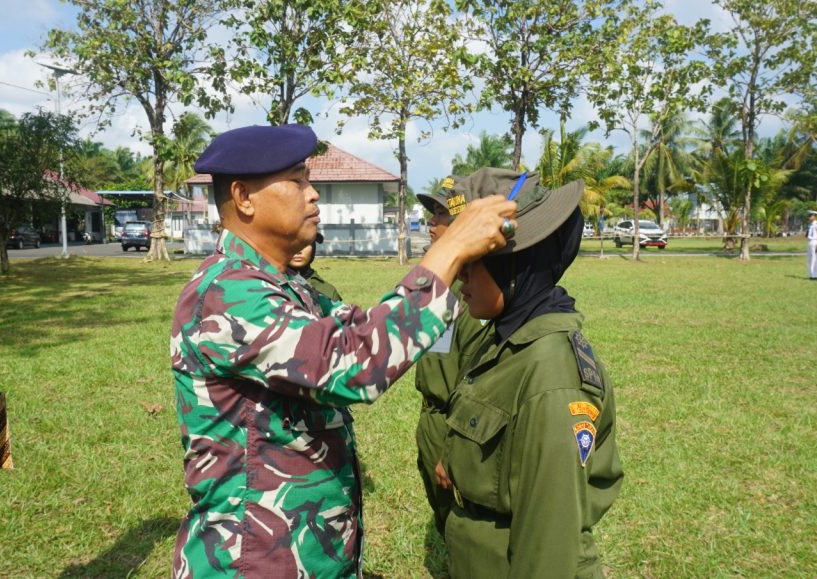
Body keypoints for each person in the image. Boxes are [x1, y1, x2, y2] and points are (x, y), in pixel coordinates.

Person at [169, 124, 517, 578]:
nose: (313, 194)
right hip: (253, 561)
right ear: (243, 197)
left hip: (298, 553)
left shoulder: (284, 285)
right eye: (297, 181)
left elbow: (363, 327)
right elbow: (356, 363)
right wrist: (449, 250)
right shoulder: (227, 293)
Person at [435, 168, 624, 578]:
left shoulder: (552, 376)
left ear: (514, 267)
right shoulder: (503, 341)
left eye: (472, 263)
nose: (459, 276)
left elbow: (548, 541)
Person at [411, 175, 494, 535]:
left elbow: (479, 380)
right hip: (432, 418)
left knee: (464, 528)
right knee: (445, 520)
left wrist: (452, 449)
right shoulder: (437, 286)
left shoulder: (474, 294)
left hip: (455, 425)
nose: (431, 222)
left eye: (440, 215)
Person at [288, 231, 342, 302]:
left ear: (313, 249)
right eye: (291, 243)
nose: (298, 251)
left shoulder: (328, 292)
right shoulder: (273, 285)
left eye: (305, 244)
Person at [806, 209, 817, 280]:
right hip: (810, 241)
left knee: (814, 259)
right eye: (809, 215)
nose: (809, 217)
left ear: (814, 216)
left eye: (810, 215)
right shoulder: (810, 224)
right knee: (810, 259)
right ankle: (811, 274)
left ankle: (815, 275)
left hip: (815, 241)